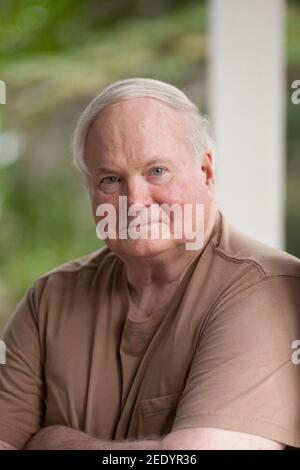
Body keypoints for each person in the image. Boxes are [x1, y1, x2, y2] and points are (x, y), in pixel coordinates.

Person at [0, 78, 299, 450]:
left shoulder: (269, 289)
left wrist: (53, 442)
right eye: (111, 179)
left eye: (157, 171)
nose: (135, 201)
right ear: (90, 191)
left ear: (206, 173)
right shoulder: (50, 298)